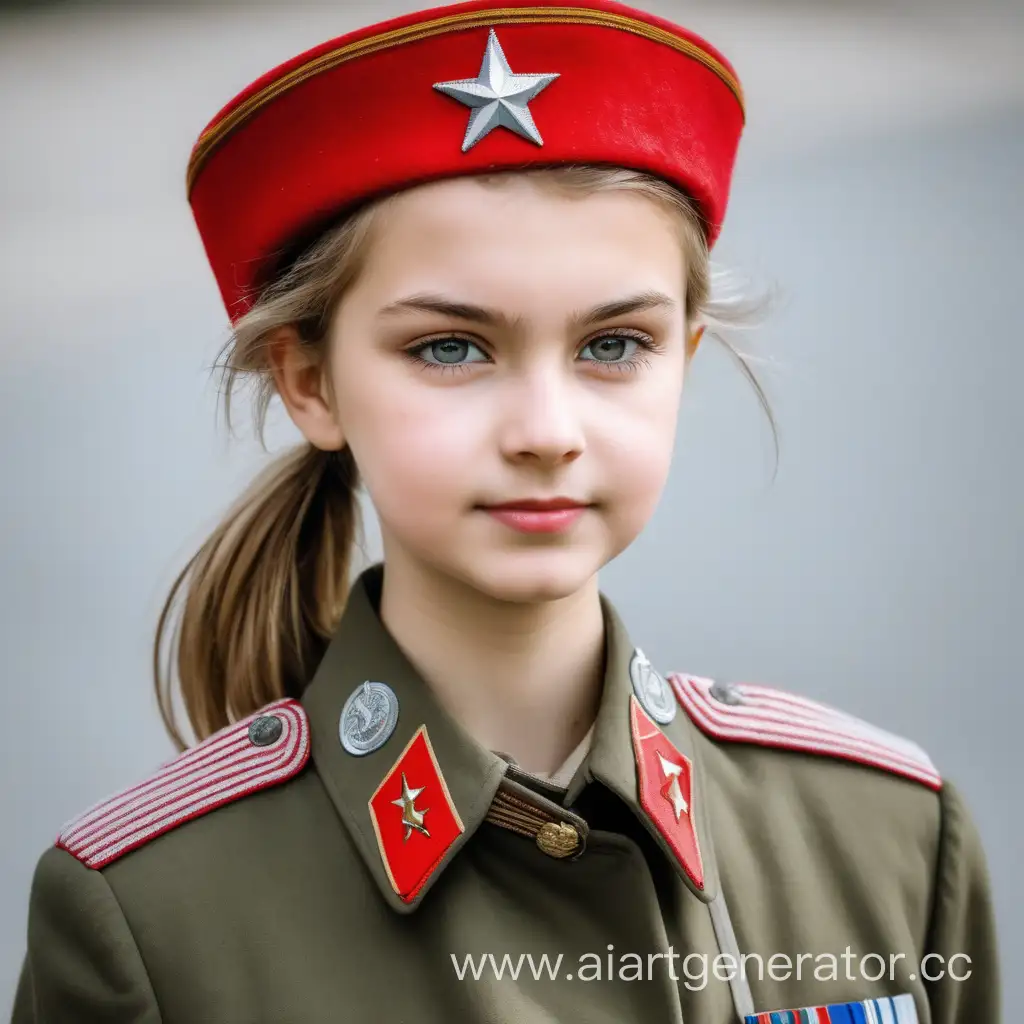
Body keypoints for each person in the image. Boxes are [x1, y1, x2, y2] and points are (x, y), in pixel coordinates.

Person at [11, 0, 999, 1021]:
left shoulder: (883, 838)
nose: (544, 429)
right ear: (307, 381)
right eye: (451, 347)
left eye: (612, 344)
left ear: (684, 361)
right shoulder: (149, 917)